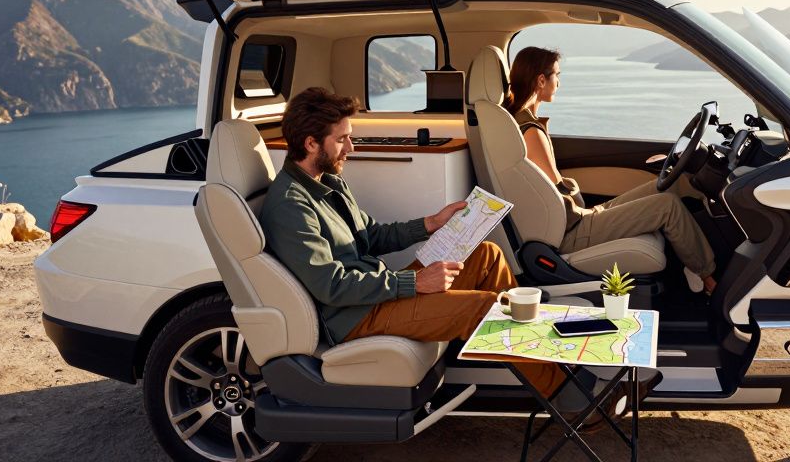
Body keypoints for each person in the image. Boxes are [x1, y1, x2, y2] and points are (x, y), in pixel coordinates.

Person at [258, 87, 657, 424]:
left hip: (377, 294)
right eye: (342, 139)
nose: (352, 146)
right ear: (311, 143)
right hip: (356, 316)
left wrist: (431, 223)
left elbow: (371, 235)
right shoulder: (291, 205)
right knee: (485, 308)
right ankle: (572, 402)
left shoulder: (327, 182)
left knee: (485, 255)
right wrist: (416, 282)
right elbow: (330, 286)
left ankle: (540, 365)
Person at [506, 47, 718, 294]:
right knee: (667, 206)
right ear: (541, 80)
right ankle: (708, 279)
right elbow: (556, 187)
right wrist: (573, 187)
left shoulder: (517, 123)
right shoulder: (530, 132)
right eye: (556, 75)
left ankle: (693, 255)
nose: (559, 82)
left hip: (574, 217)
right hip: (571, 230)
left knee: (673, 183)